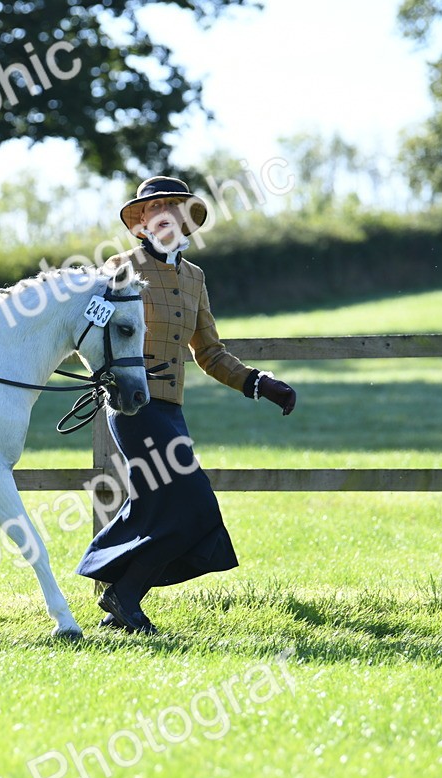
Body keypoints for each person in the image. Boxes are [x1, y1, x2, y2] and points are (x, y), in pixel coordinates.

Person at [77, 176, 298, 635]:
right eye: (153, 211)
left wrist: (258, 382)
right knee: (192, 505)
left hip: (171, 409)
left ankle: (120, 597)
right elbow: (90, 333)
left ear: (186, 221)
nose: (164, 217)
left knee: (162, 506)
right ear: (140, 225)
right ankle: (122, 593)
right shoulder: (120, 267)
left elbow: (210, 353)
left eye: (174, 210)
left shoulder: (194, 277)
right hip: (133, 408)